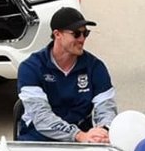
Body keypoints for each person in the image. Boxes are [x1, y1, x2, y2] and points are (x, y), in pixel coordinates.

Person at [15, 8, 116, 143]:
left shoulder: (95, 67)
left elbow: (106, 108)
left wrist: (103, 131)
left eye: (85, 33)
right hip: (38, 141)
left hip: (82, 144)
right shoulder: (31, 67)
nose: (82, 39)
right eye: (76, 34)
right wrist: (78, 135)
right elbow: (41, 117)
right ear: (57, 34)